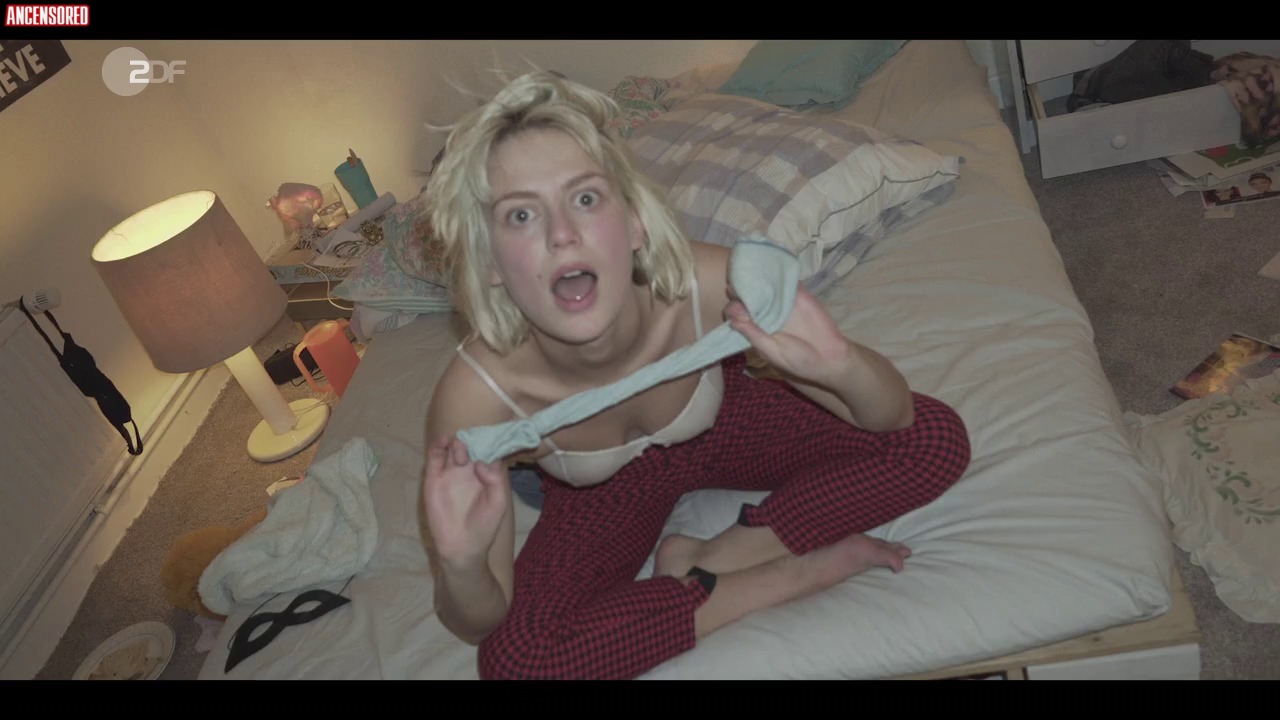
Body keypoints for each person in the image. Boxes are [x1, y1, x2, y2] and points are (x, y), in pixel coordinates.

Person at [419, 70, 971, 680]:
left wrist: (840, 365)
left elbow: (896, 420)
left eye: (585, 198)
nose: (562, 235)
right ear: (490, 261)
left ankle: (725, 553)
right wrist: (461, 563)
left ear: (634, 222)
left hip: (729, 421)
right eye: (521, 215)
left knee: (935, 439)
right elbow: (480, 622)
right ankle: (781, 576)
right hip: (602, 496)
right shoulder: (476, 399)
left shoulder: (707, 283)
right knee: (516, 665)